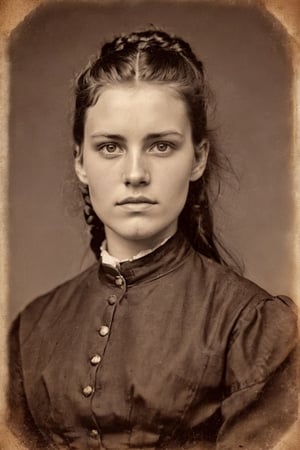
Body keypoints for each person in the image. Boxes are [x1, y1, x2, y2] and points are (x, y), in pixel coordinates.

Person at [7, 29, 298, 450]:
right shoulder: (32, 328)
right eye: (110, 147)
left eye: (161, 146)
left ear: (197, 158)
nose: (135, 173)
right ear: (80, 162)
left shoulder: (252, 327)